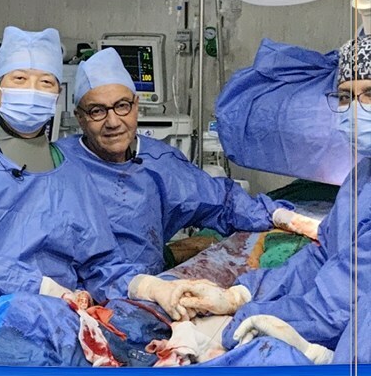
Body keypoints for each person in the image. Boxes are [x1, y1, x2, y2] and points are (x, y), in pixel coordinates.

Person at [0, 26, 203, 363]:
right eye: (20, 79)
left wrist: (149, 287)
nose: (32, 91)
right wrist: (42, 288)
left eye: (45, 82)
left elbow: (100, 264)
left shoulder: (73, 176)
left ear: (58, 94)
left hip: (56, 341)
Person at [181, 34, 371, 364]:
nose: (355, 110)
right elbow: (323, 256)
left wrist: (240, 321)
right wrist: (242, 294)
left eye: (369, 94)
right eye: (344, 97)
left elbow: (333, 308)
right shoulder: (362, 176)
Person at [55, 48, 318, 274]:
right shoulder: (57, 165)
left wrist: (280, 216)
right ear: (80, 118)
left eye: (122, 106)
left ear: (135, 106)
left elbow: (222, 202)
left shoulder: (160, 163)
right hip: (73, 297)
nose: (113, 122)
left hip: (143, 292)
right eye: (97, 111)